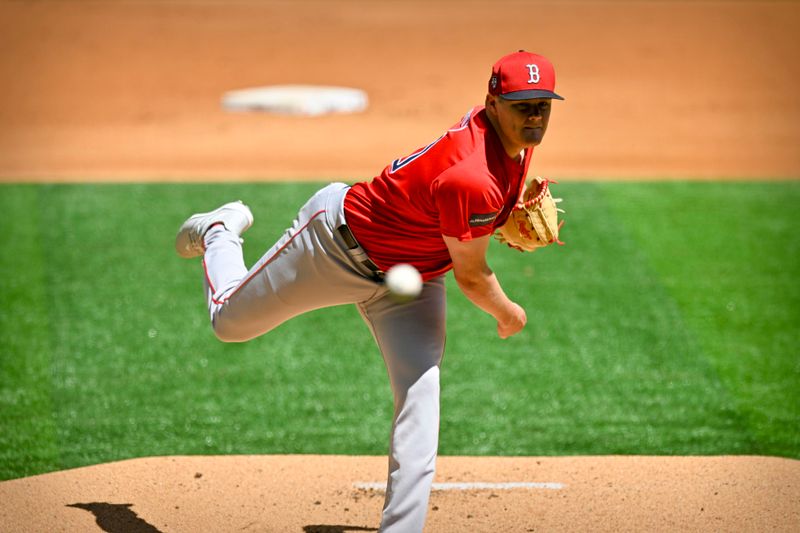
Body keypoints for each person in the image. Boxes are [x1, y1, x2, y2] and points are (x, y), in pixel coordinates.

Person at [175, 50, 564, 533]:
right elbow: (473, 275)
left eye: (542, 105)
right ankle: (219, 229)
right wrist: (509, 315)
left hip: (413, 282)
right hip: (334, 247)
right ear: (492, 102)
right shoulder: (472, 176)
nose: (533, 116)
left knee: (421, 398)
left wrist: (503, 210)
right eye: (522, 104)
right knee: (229, 324)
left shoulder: (516, 142)